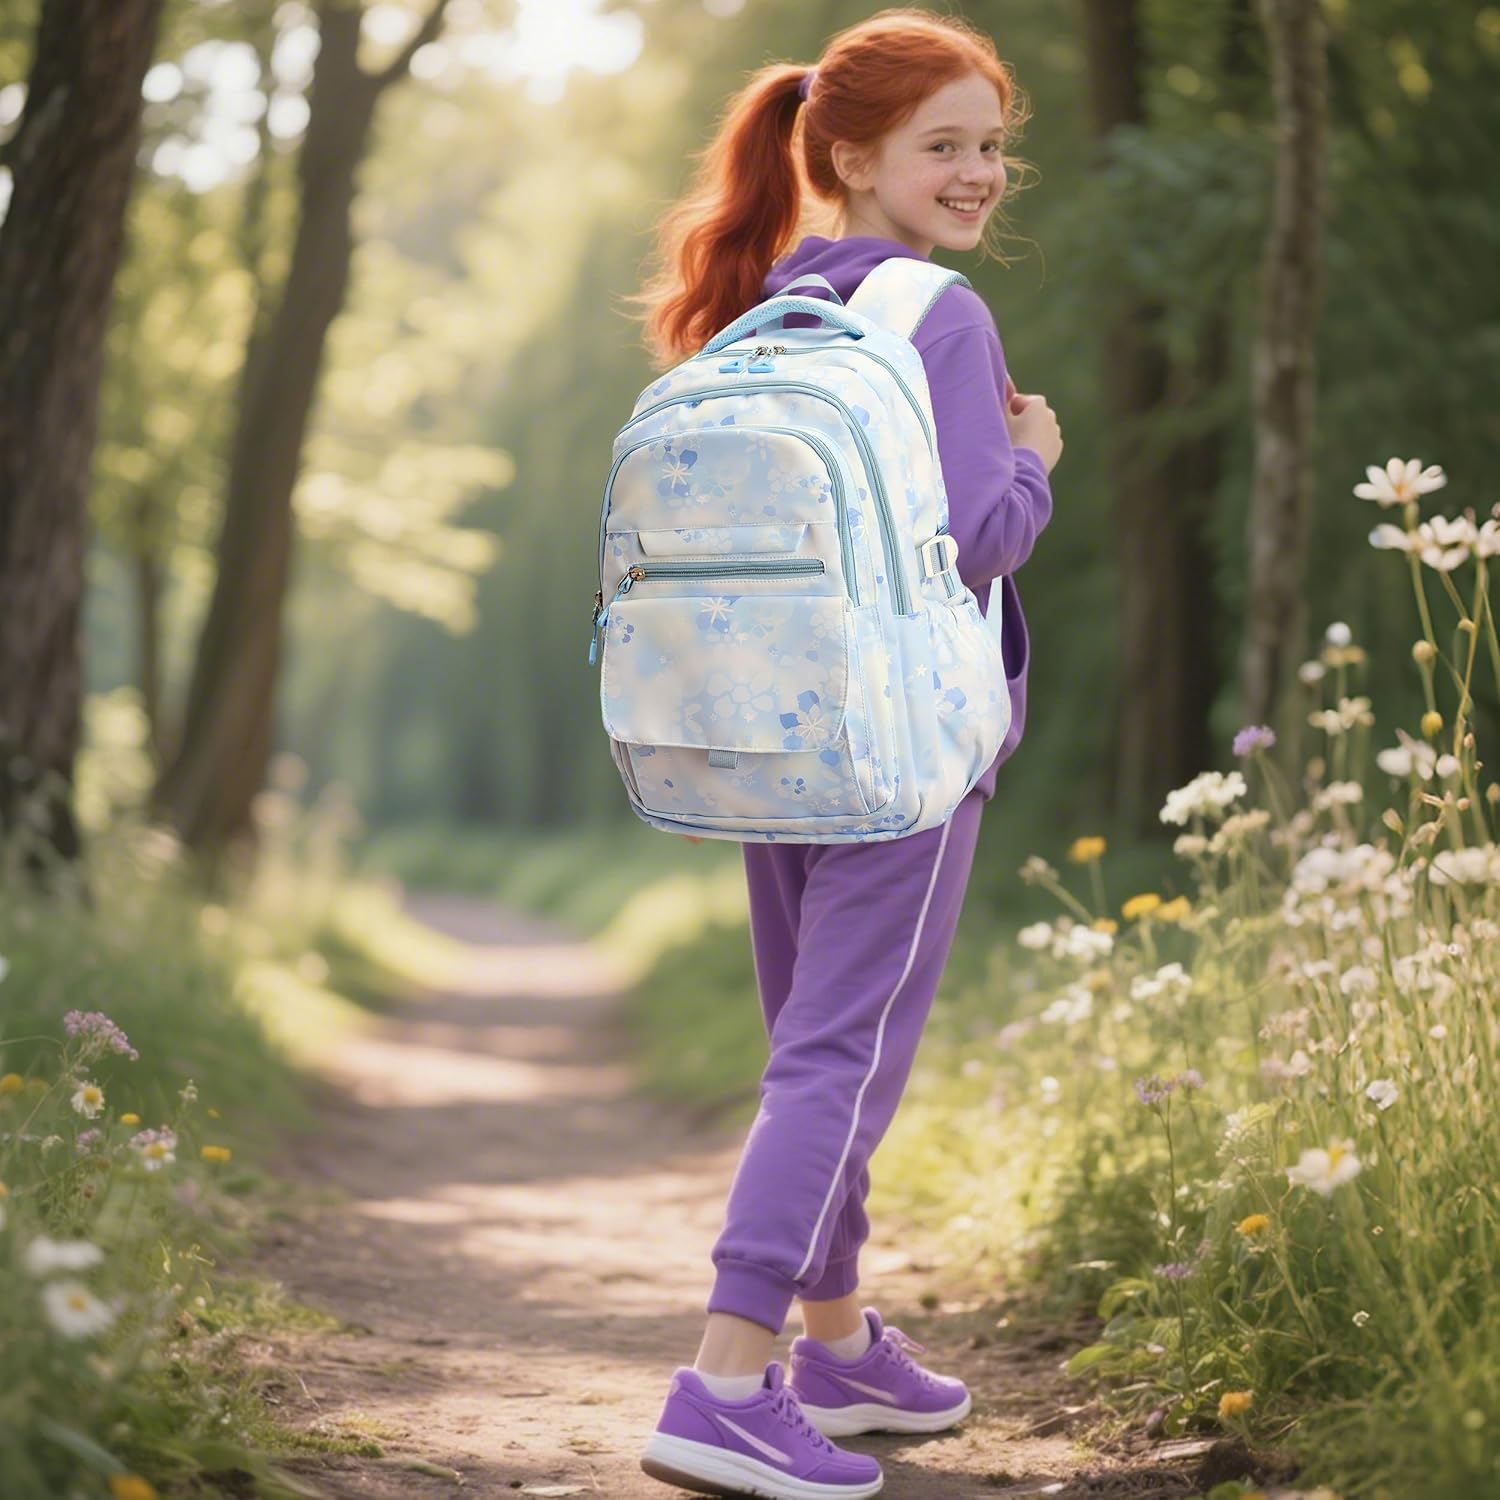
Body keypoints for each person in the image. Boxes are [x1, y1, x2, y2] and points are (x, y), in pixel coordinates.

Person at [628, 9, 1062, 1497]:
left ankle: (834, 1340)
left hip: (767, 729)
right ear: (853, 154)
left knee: (810, 1042)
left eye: (991, 145)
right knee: (842, 1056)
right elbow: (980, 539)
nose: (978, 173)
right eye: (945, 146)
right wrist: (1038, 462)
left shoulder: (772, 303)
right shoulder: (937, 315)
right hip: (900, 748)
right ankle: (727, 1378)